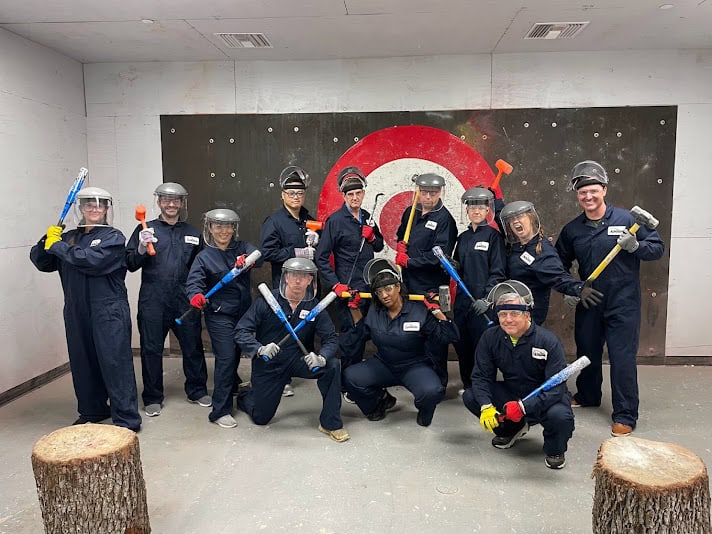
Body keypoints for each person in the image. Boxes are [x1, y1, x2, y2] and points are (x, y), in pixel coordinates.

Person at [555, 160, 664, 437]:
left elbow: (657, 248)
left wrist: (636, 246)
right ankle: (588, 395)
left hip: (623, 303)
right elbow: (557, 265)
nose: (588, 197)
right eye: (583, 192)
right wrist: (571, 288)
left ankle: (625, 414)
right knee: (587, 352)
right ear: (577, 195)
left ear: (604, 189)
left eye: (593, 190)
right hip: (589, 301)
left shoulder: (628, 221)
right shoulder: (572, 230)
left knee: (622, 358)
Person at [30, 187, 141, 432]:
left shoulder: (114, 237)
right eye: (89, 204)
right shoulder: (68, 237)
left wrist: (57, 246)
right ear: (81, 208)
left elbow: (91, 261)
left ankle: (126, 419)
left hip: (108, 310)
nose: (94, 208)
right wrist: (46, 240)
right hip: (76, 309)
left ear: (107, 209)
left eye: (100, 205)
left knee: (115, 363)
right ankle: (92, 411)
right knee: (83, 362)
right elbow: (42, 262)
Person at [463, 280, 574, 470]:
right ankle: (511, 429)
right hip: (513, 394)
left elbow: (556, 388)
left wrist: (523, 407)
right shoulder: (490, 338)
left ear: (527, 315)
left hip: (546, 398)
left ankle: (555, 449)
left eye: (514, 313)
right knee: (472, 395)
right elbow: (481, 377)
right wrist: (486, 406)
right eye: (503, 314)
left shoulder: (548, 341)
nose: (508, 319)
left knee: (560, 416)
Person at [234, 258, 348, 442]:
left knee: (332, 366)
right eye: (294, 275)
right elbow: (241, 331)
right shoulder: (267, 301)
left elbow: (331, 338)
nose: (298, 281)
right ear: (285, 277)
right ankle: (246, 394)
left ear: (310, 280)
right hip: (269, 363)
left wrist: (322, 357)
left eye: (304, 277)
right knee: (261, 418)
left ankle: (330, 423)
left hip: (298, 359)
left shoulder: (314, 306)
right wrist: (259, 349)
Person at [342, 259, 459, 427]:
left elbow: (450, 337)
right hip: (384, 363)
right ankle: (380, 401)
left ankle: (424, 413)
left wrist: (437, 311)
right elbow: (361, 334)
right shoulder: (375, 310)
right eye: (379, 292)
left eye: (388, 289)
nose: (384, 295)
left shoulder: (419, 311)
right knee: (351, 377)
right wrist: (354, 309)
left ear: (398, 286)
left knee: (432, 391)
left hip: (415, 366)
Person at [126, 182, 209, 418]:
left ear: (182, 203)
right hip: (153, 300)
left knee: (192, 346)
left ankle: (197, 390)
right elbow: (130, 264)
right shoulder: (145, 229)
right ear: (159, 202)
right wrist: (142, 247)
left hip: (185, 300)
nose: (171, 204)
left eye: (176, 200)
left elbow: (202, 267)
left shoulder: (193, 233)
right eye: (166, 200)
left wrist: (199, 293)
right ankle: (152, 397)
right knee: (151, 349)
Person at [185, 208, 259, 428]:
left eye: (228, 226)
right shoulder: (204, 257)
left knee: (235, 354)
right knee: (226, 357)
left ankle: (234, 388)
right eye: (218, 226)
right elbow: (194, 282)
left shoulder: (242, 247)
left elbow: (257, 254)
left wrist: (247, 260)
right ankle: (220, 410)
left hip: (243, 313)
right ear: (209, 228)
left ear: (234, 228)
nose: (224, 231)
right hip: (219, 315)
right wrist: (195, 295)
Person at [315, 166, 384, 380]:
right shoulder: (335, 221)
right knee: (351, 336)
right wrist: (335, 284)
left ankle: (358, 378)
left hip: (369, 287)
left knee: (365, 333)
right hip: (348, 291)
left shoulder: (367, 217)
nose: (355, 197)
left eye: (358, 193)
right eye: (350, 194)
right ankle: (347, 382)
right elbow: (321, 257)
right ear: (344, 196)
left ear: (363, 193)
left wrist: (372, 237)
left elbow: (379, 246)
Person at [259, 165, 319, 397]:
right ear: (282, 194)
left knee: (303, 327)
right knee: (281, 330)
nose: (296, 197)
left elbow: (320, 252)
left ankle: (298, 368)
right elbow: (267, 252)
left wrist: (318, 240)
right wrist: (296, 252)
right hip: (284, 286)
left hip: (307, 286)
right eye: (291, 193)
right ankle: (280, 378)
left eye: (300, 193)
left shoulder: (308, 220)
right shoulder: (274, 221)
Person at [394, 173, 458, 385]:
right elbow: (402, 235)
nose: (428, 196)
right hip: (409, 284)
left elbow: (439, 256)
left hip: (432, 286)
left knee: (435, 335)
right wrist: (400, 245)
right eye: (424, 192)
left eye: (433, 192)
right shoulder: (410, 212)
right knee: (414, 332)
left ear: (440, 193)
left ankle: (438, 382)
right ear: (418, 192)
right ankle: (418, 379)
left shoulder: (445, 220)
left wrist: (410, 261)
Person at [500, 200, 603, 325]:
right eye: (511, 220)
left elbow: (557, 276)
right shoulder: (514, 247)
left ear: (531, 218)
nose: (515, 221)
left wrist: (578, 289)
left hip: (529, 316)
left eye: (520, 216)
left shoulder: (542, 250)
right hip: (510, 311)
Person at [451, 188, 507, 393]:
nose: (476, 211)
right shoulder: (463, 238)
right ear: (467, 210)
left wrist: (488, 298)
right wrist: (452, 265)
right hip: (463, 302)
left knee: (482, 347)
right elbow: (459, 267)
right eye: (472, 207)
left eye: (481, 207)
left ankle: (483, 386)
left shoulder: (494, 237)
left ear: (487, 211)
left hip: (482, 303)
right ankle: (468, 384)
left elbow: (498, 272)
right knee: (463, 344)